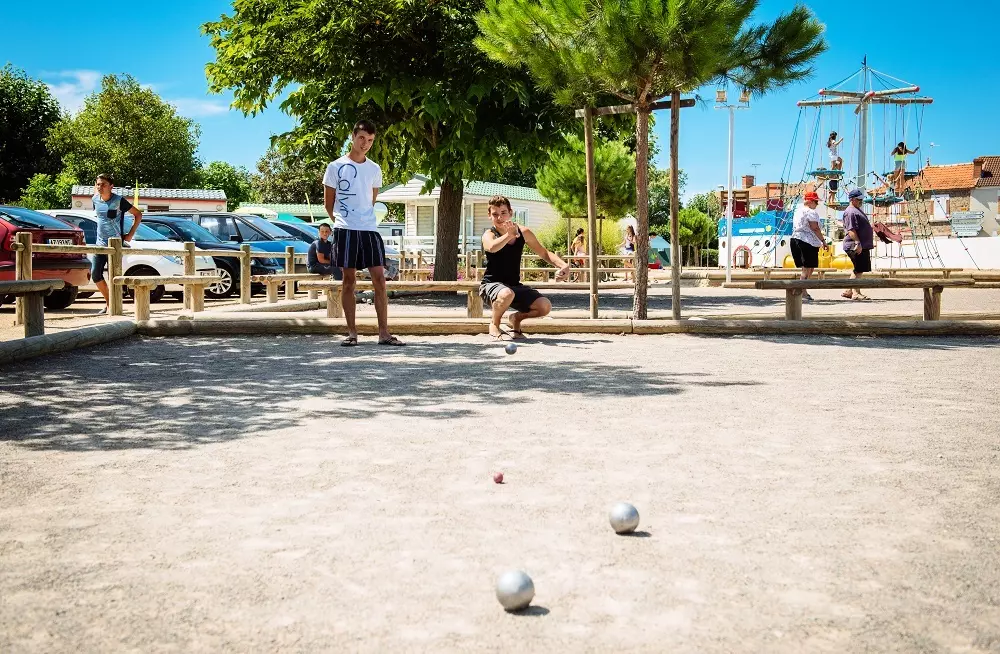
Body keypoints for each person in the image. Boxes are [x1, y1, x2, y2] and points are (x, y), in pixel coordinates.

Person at [323, 120, 402, 346]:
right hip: (345, 229)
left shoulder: (374, 169)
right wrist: (343, 222)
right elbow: (329, 204)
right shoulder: (335, 167)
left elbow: (371, 200)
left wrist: (362, 219)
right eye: (362, 138)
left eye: (370, 140)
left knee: (380, 279)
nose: (365, 144)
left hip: (369, 230)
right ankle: (352, 333)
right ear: (353, 137)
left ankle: (384, 333)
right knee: (348, 281)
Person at [480, 195, 570, 340]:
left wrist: (563, 265)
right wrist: (509, 235)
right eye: (495, 214)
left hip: (514, 286)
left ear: (511, 213)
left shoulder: (524, 232)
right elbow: (491, 247)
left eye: (503, 213)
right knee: (506, 294)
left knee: (544, 306)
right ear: (489, 215)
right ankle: (494, 324)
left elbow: (544, 252)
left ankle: (516, 318)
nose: (499, 218)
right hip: (491, 285)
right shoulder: (489, 234)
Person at [91, 173, 143, 315]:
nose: (100, 187)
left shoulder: (119, 201)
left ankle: (114, 306)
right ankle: (109, 302)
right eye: (98, 184)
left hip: (115, 245)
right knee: (95, 274)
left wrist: (130, 235)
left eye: (103, 184)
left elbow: (138, 214)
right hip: (100, 243)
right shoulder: (95, 199)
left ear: (111, 186)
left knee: (113, 276)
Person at [789, 191, 826, 302]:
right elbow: (815, 227)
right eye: (815, 202)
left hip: (795, 239)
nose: (817, 204)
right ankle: (802, 291)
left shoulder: (797, 210)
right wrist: (823, 241)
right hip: (807, 241)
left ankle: (802, 289)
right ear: (809, 201)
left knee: (807, 267)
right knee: (807, 268)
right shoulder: (811, 212)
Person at [841, 188, 875, 300]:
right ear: (852, 199)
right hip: (855, 245)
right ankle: (856, 293)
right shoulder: (851, 212)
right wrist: (858, 243)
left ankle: (849, 291)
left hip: (861, 245)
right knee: (859, 269)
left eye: (861, 200)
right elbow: (851, 230)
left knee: (858, 269)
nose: (861, 201)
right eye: (858, 199)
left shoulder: (856, 210)